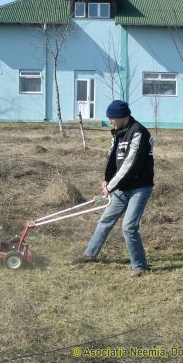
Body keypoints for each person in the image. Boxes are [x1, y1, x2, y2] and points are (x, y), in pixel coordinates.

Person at [73, 100, 154, 277]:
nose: (110, 121)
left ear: (123, 116)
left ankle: (139, 266)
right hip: (121, 188)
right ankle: (89, 254)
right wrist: (106, 180)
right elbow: (112, 159)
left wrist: (110, 186)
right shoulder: (117, 132)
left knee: (129, 227)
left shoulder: (138, 132)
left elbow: (129, 165)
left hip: (140, 188)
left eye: (112, 118)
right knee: (105, 220)